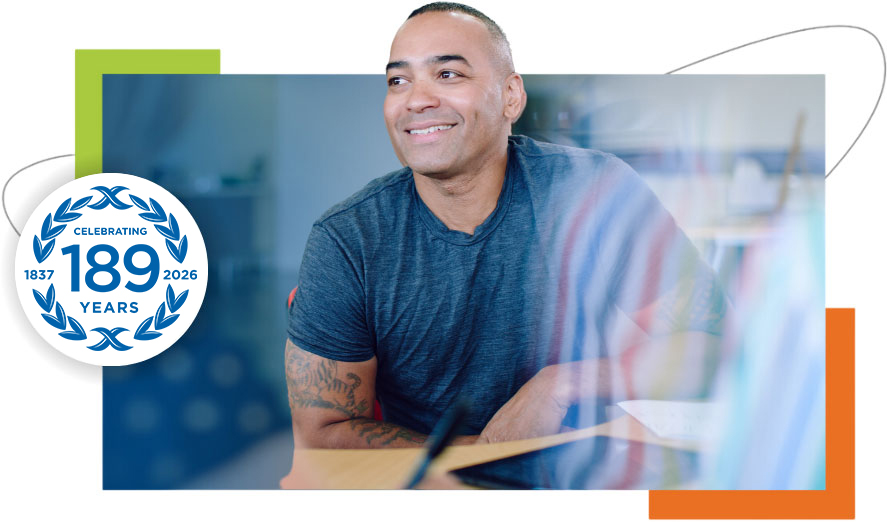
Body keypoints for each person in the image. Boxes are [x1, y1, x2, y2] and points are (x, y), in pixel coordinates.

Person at [285, 2, 726, 461]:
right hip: (431, 481)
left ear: (511, 97)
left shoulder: (595, 192)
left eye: (448, 74)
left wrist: (564, 383)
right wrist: (486, 451)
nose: (416, 99)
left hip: (578, 470)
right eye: (398, 80)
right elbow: (323, 433)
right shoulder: (348, 238)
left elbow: (713, 348)